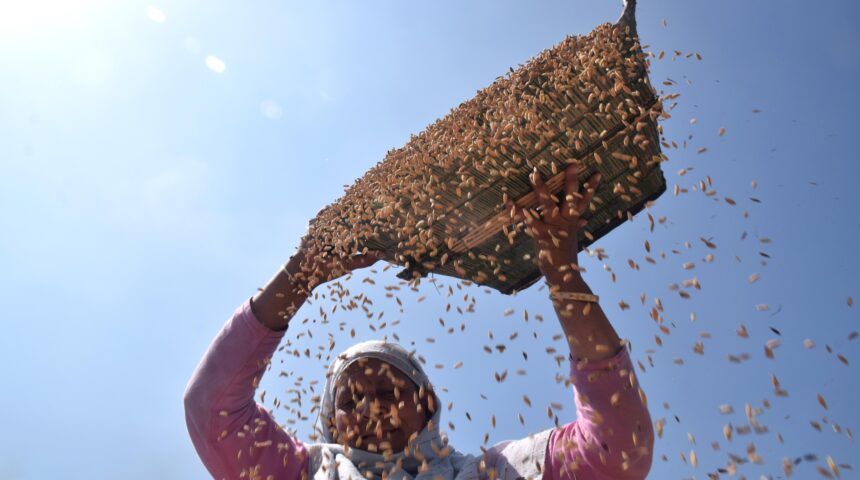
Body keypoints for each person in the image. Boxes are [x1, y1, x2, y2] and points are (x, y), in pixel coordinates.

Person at [184, 164, 655, 480]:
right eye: (351, 400)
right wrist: (302, 274)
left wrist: (561, 271)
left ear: (427, 403)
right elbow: (210, 407)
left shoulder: (489, 472)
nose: (371, 409)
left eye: (389, 392)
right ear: (329, 421)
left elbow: (616, 449)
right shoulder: (298, 471)